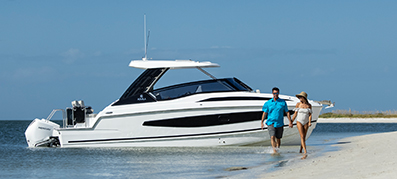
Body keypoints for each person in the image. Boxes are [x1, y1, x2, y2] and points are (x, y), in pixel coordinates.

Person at [261, 87, 293, 154]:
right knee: (272, 136)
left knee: (278, 138)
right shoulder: (268, 103)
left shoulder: (282, 102)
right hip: (270, 122)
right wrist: (262, 122)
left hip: (279, 123)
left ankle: (277, 149)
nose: (275, 94)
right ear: (272, 93)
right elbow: (264, 113)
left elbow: (287, 112)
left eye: (277, 93)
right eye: (274, 93)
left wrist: (290, 122)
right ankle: (274, 151)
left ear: (278, 93)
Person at [291, 91, 312, 159]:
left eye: (300, 97)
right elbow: (295, 114)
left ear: (304, 98)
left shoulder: (309, 105)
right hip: (299, 121)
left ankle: (300, 149)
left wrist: (309, 122)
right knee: (302, 136)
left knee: (304, 137)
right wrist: (291, 121)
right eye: (299, 97)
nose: (299, 98)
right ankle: (305, 151)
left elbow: (310, 115)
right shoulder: (298, 104)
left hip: (305, 122)